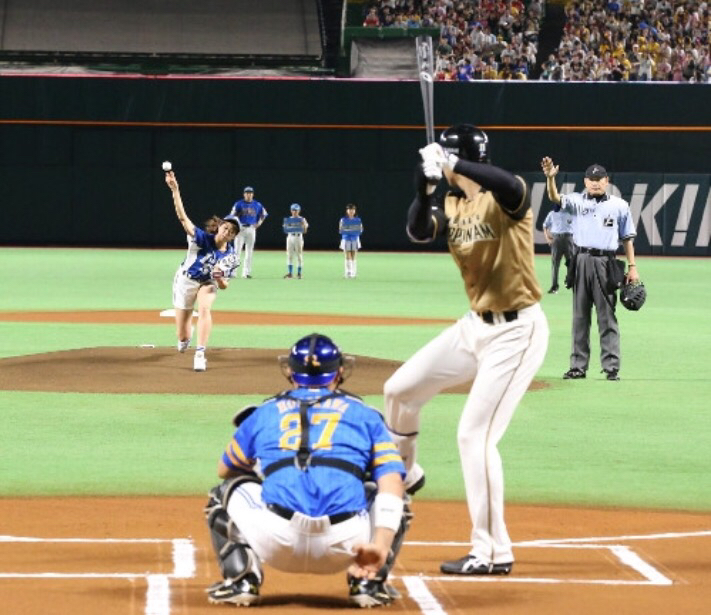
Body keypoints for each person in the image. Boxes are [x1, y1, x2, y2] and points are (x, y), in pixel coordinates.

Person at [384, 125, 549, 577]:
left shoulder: (505, 198)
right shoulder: (454, 201)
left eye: (450, 160)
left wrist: (451, 164)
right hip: (474, 327)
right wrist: (423, 189)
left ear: (462, 159)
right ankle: (406, 473)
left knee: (475, 437)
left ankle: (493, 552)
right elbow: (419, 231)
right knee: (399, 390)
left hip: (517, 332)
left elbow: (510, 184)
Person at [204, 333, 408, 608]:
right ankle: (368, 580)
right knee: (392, 492)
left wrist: (276, 465)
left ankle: (242, 579)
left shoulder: (265, 411)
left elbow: (225, 469)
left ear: (290, 372)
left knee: (224, 492)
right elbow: (392, 481)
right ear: (339, 373)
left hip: (276, 542)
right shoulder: (365, 415)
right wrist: (381, 544)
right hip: (348, 546)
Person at [541, 157, 639, 381]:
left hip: (606, 262)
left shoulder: (619, 206)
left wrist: (633, 267)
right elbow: (554, 197)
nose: (595, 183)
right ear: (585, 181)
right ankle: (578, 366)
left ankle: (611, 367)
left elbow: (627, 239)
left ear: (607, 181)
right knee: (579, 317)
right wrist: (550, 178)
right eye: (591, 179)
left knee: (607, 316)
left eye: (599, 179)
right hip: (581, 260)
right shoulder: (576, 201)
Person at [165, 171, 239, 372]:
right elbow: (182, 217)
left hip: (207, 283)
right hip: (186, 281)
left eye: (232, 231)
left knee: (205, 308)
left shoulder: (231, 255)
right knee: (182, 336)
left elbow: (224, 286)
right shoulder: (201, 239)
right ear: (219, 227)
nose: (228, 231)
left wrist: (219, 277)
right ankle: (186, 339)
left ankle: (200, 353)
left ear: (232, 236)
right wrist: (175, 190)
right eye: (226, 227)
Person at [228, 186, 268, 279]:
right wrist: (235, 226)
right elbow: (232, 215)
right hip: (240, 229)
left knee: (249, 251)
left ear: (253, 194)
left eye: (250, 193)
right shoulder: (239, 204)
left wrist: (259, 223)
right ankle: (233, 272)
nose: (248, 194)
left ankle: (246, 273)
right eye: (247, 193)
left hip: (251, 229)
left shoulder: (257, 204)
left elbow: (264, 214)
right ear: (244, 194)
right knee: (236, 251)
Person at [542, 208, 576, 293]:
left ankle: (571, 284)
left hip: (569, 238)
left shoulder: (572, 213)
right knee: (555, 264)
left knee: (571, 263)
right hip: (556, 238)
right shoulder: (552, 213)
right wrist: (547, 238)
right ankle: (554, 287)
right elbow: (545, 225)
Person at [282, 203, 308, 279]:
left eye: (296, 210)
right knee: (289, 255)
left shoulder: (302, 219)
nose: (294, 212)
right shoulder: (288, 219)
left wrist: (303, 225)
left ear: (299, 211)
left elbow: (305, 231)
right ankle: (290, 273)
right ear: (291, 211)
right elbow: (285, 230)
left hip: (298, 237)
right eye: (293, 210)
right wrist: (286, 225)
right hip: (290, 237)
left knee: (299, 255)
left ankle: (299, 273)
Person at [339, 204, 363, 279]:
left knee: (354, 255)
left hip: (355, 238)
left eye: (352, 210)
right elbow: (340, 229)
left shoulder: (358, 220)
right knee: (347, 254)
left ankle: (354, 271)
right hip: (346, 238)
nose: (351, 211)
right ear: (347, 211)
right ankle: (348, 272)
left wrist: (357, 231)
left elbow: (361, 229)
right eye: (349, 210)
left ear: (355, 211)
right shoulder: (343, 219)